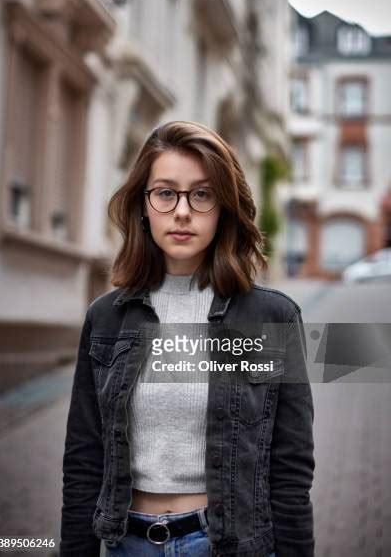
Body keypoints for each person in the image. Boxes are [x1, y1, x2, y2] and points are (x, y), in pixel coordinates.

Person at [59, 121, 315, 557]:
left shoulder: (271, 317)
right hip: (128, 544)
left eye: (201, 194)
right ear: (143, 205)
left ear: (224, 208)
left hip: (230, 545)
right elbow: (84, 458)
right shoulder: (105, 318)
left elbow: (290, 468)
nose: (182, 212)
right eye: (165, 193)